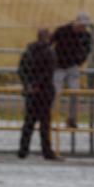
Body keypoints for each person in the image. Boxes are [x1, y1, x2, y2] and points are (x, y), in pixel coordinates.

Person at [17, 27, 58, 160]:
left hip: (31, 92)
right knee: (44, 123)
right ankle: (46, 151)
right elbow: (48, 72)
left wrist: (28, 85)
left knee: (29, 121)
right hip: (44, 91)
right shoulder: (49, 52)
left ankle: (23, 150)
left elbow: (21, 69)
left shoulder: (28, 51)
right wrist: (38, 85)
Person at [50, 13, 92, 130]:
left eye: (85, 26)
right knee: (55, 93)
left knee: (75, 92)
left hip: (72, 67)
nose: (83, 28)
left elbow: (87, 50)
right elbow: (50, 43)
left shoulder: (85, 36)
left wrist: (79, 61)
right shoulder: (62, 30)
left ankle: (71, 119)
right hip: (58, 66)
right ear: (76, 21)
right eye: (81, 25)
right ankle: (49, 119)